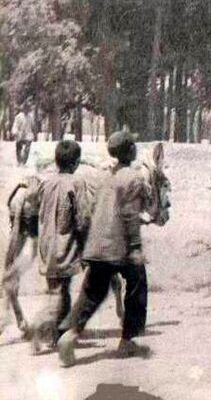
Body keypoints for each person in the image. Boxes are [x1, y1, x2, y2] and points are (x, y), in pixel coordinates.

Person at [58, 131, 152, 367]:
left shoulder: (105, 176)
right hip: (118, 245)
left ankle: (70, 335)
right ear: (130, 151)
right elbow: (130, 215)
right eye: (133, 147)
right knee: (138, 282)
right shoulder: (133, 177)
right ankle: (128, 339)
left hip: (96, 243)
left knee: (93, 292)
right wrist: (136, 247)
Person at [30, 140, 89, 353]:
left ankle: (54, 334)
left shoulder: (45, 183)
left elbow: (36, 206)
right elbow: (82, 218)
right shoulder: (76, 184)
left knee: (54, 288)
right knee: (63, 291)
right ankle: (52, 332)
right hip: (66, 245)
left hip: (46, 244)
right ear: (76, 163)